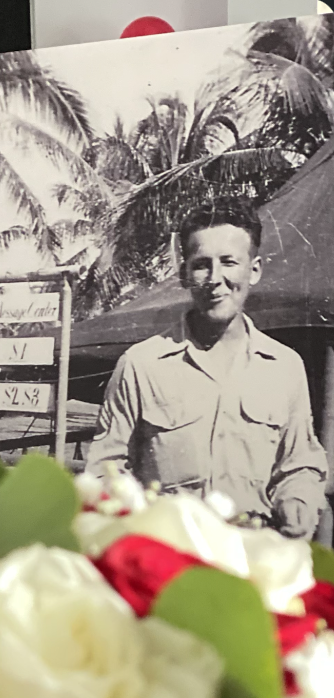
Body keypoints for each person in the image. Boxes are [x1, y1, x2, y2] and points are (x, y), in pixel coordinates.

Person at [86, 199, 328, 539]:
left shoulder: (285, 367)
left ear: (254, 270)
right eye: (201, 264)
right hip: (168, 559)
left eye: (229, 262)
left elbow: (299, 463)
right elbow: (104, 472)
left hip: (255, 554)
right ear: (184, 273)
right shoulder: (141, 365)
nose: (216, 279)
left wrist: (297, 499)